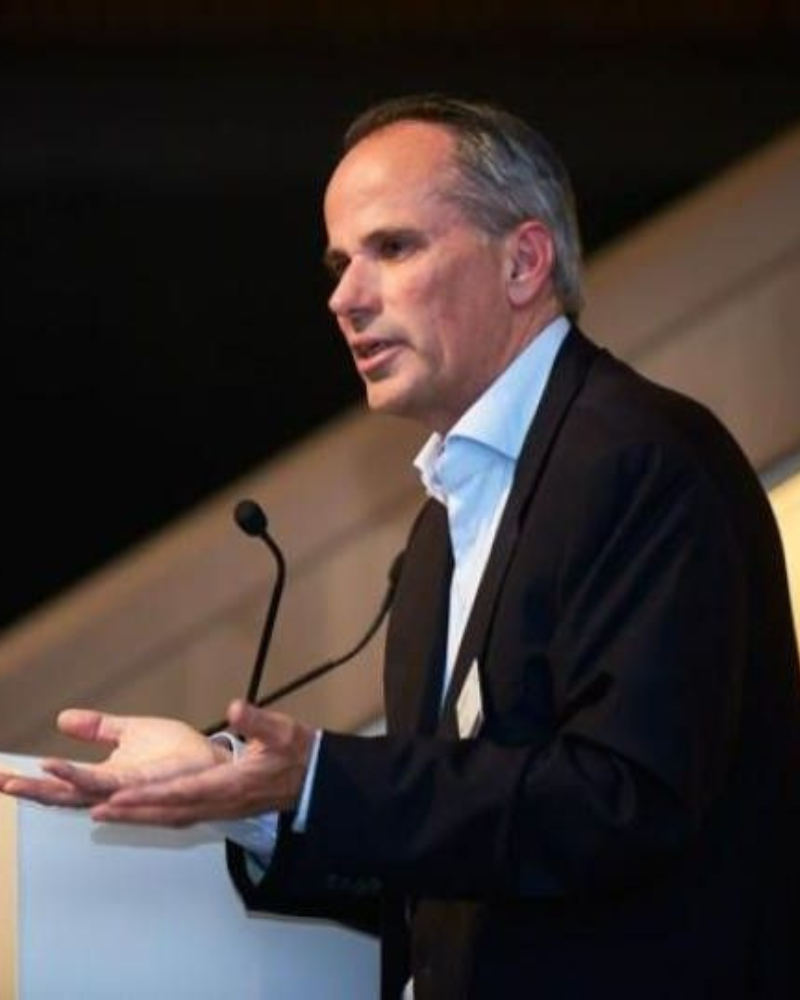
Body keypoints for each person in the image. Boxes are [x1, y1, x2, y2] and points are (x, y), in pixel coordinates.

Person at [2, 94, 799, 999]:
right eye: (340, 263)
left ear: (523, 262)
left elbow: (623, 804)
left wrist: (316, 779)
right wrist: (248, 795)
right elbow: (445, 869)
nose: (343, 297)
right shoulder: (433, 539)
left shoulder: (647, 460)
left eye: (392, 248)